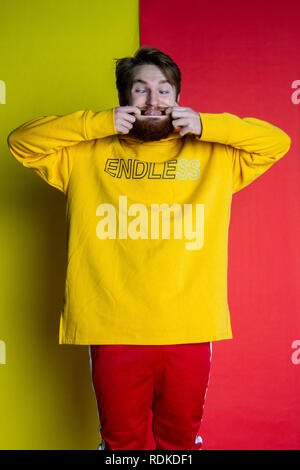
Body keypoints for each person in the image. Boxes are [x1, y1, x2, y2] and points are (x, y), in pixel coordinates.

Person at [7, 46, 291, 450]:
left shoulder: (215, 157)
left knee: (179, 443)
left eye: (164, 89)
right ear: (124, 100)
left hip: (188, 327)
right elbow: (22, 141)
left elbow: (275, 142)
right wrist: (98, 123)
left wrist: (206, 124)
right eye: (140, 90)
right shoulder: (85, 154)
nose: (153, 100)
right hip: (112, 326)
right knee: (123, 444)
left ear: (178, 99)